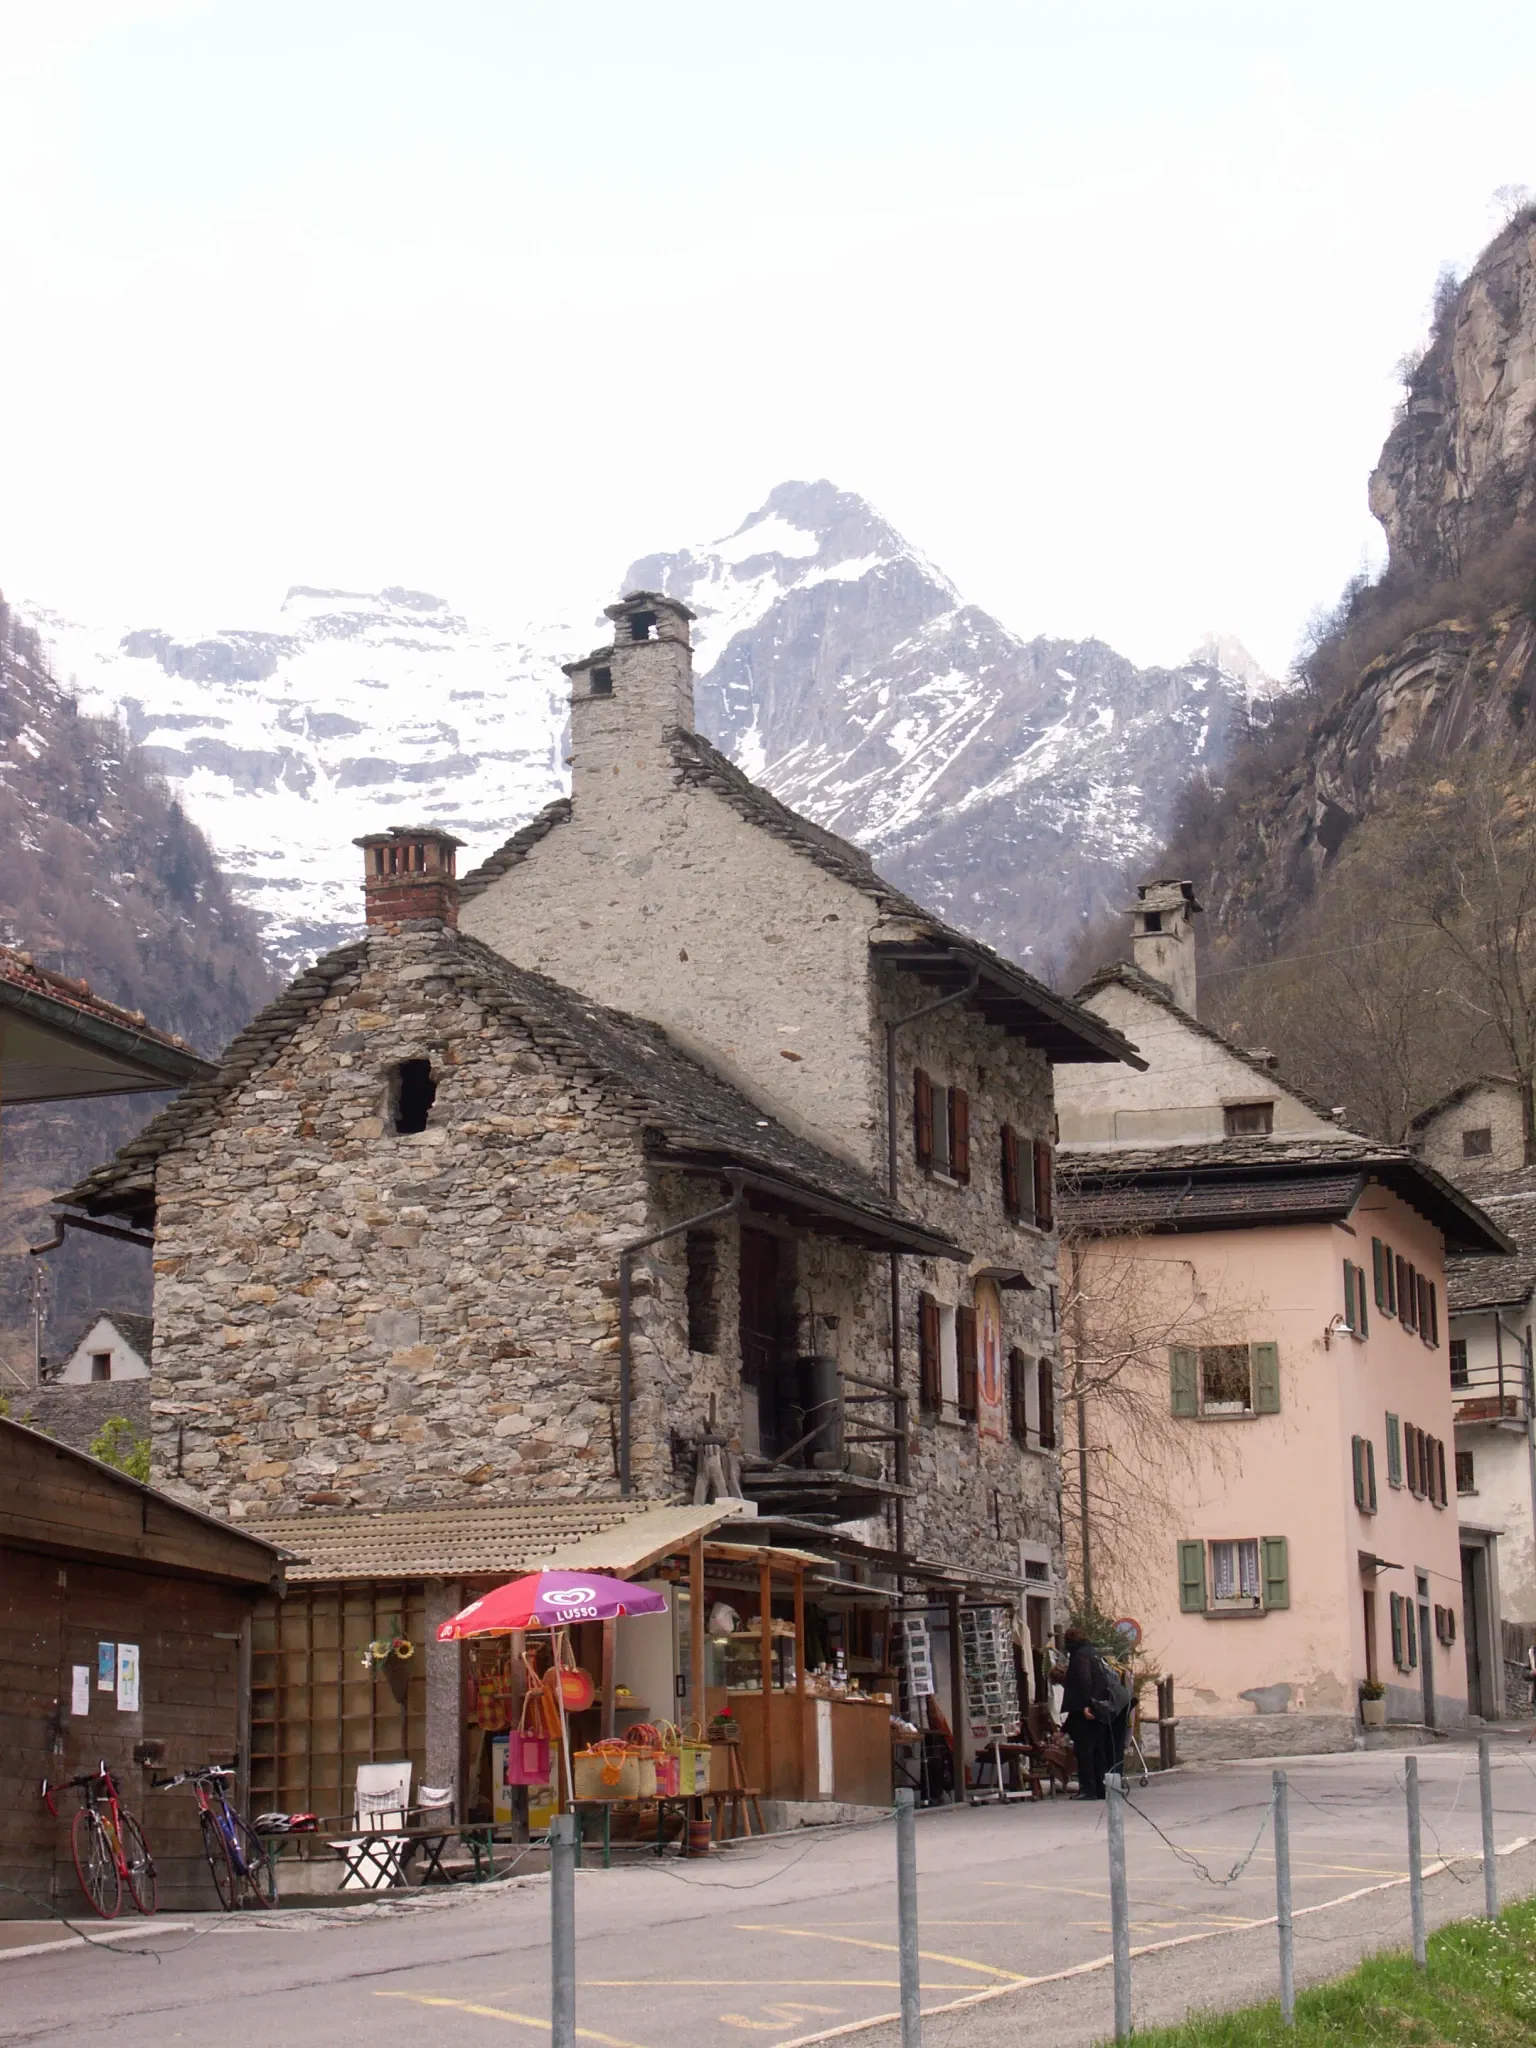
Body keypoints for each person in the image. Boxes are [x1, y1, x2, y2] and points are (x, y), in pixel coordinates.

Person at [1060, 1627, 1113, 1800]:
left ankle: (1088, 1789)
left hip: (1085, 1711)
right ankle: (1100, 1788)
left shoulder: (1080, 1657)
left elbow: (1084, 1681)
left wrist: (1087, 1704)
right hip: (1100, 1708)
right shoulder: (1093, 1654)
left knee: (1085, 1751)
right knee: (1098, 1750)